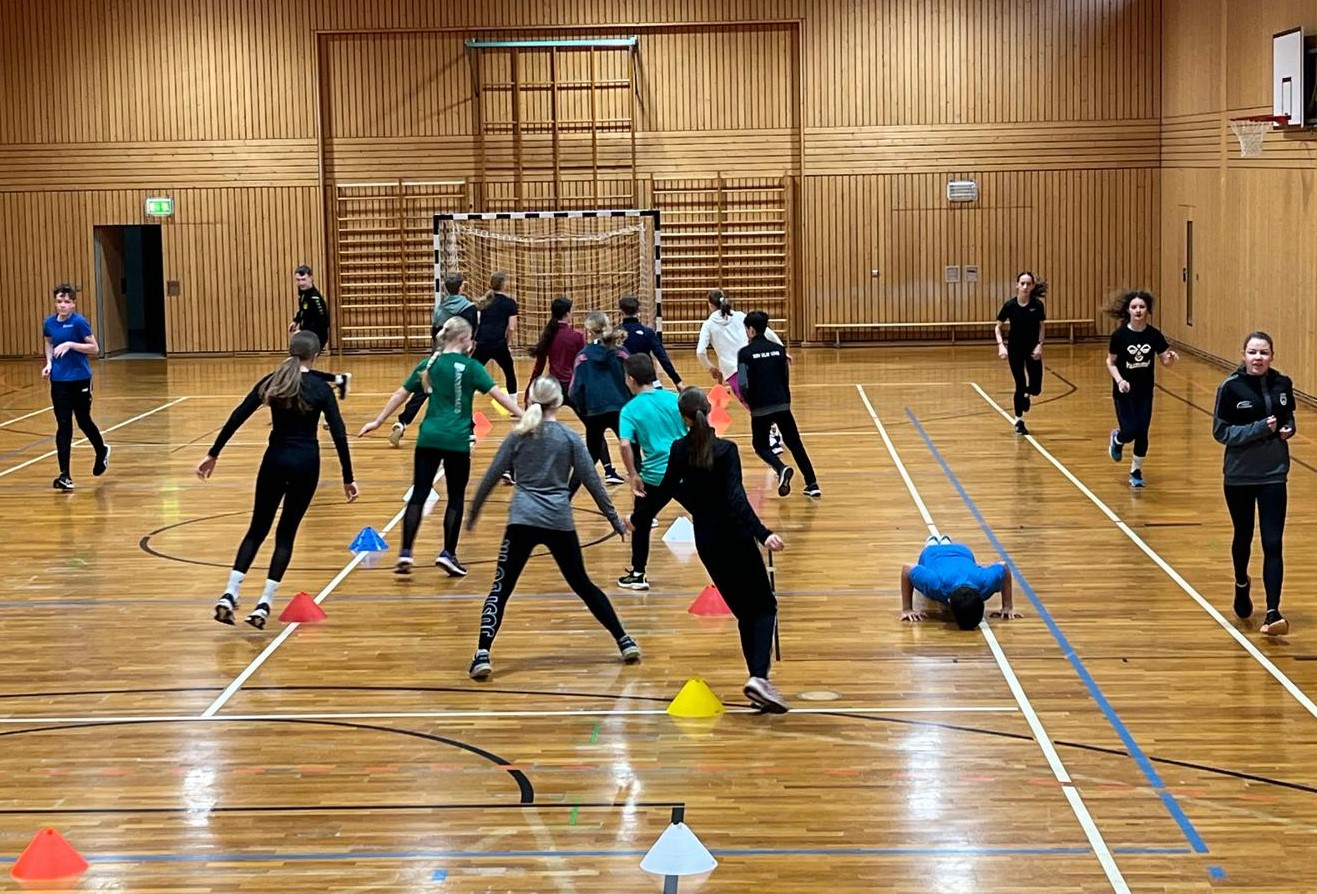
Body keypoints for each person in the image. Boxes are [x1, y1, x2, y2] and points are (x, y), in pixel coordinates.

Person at [465, 375, 640, 681]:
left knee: (501, 587)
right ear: (559, 402)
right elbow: (593, 483)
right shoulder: (570, 438)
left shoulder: (517, 436)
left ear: (531, 400)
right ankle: (624, 640)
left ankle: (482, 653)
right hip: (559, 521)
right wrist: (615, 521)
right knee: (583, 584)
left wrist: (473, 513)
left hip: (521, 521)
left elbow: (491, 476)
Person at [199, 331, 359, 630]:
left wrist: (213, 453)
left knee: (257, 529)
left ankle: (230, 593)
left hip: (274, 460)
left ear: (290, 350)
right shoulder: (320, 389)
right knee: (286, 534)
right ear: (316, 355)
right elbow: (339, 433)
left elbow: (238, 416)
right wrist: (348, 477)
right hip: (306, 464)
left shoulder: (274, 381)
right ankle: (264, 603)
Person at [653, 387, 787, 714]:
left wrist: (637, 518)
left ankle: (758, 680)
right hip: (736, 538)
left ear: (683, 418)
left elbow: (667, 490)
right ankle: (759, 677)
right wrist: (763, 533)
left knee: (745, 612)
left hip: (708, 543)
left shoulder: (679, 450)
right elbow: (736, 500)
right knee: (765, 606)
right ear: (708, 411)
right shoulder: (726, 450)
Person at [361, 318, 522, 577]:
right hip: (456, 440)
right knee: (455, 497)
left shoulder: (430, 364)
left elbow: (400, 394)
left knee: (419, 493)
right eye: (470, 338)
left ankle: (405, 553)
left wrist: (378, 421)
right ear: (463, 339)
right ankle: (448, 553)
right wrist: (525, 416)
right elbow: (498, 395)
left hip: (428, 438)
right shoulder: (471, 367)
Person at [1213, 331, 1295, 636]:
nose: (1258, 358)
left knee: (1273, 542)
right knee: (1244, 535)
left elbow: (1288, 417)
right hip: (1240, 476)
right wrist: (1259, 428)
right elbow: (1221, 432)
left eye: (1263, 353)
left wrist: (1288, 428)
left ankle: (1273, 612)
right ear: (1244, 355)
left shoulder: (1282, 384)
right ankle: (1241, 583)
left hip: (1274, 474)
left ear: (1272, 355)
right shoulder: (1230, 387)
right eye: (1252, 352)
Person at [616, 354, 687, 590]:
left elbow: (624, 444)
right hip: (685, 472)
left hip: (655, 476)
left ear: (630, 379)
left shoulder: (629, 410)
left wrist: (633, 474)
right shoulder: (674, 399)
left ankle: (638, 573)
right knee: (708, 516)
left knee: (642, 522)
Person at [389, 272, 480, 447]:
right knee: (461, 392)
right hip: (458, 357)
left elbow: (434, 333)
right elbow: (472, 334)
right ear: (461, 287)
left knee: (422, 390)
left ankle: (403, 421)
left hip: (438, 354)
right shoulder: (470, 308)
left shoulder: (440, 308)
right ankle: (468, 431)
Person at [736, 310, 820, 498]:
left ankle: (781, 468)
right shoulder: (779, 350)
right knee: (795, 443)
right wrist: (783, 399)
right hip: (782, 404)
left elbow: (742, 384)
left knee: (760, 446)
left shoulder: (745, 353)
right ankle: (812, 483)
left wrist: (751, 402)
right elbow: (785, 377)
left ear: (751, 330)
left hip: (760, 407)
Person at [1105, 290, 1178, 488]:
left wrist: (1170, 358)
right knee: (1130, 431)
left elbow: (1165, 361)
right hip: (1124, 392)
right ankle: (1118, 439)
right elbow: (1110, 362)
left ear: (1148, 310)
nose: (1138, 310)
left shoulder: (1154, 335)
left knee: (1142, 432)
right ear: (1128, 310)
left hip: (1144, 391)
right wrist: (1120, 380)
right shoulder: (1119, 335)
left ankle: (1136, 471)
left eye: (1142, 307)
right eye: (1134, 307)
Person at [696, 289, 784, 454]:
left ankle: (771, 436)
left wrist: (711, 368)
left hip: (733, 371)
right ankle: (774, 430)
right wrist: (781, 349)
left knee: (753, 406)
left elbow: (700, 352)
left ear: (710, 305)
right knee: (762, 400)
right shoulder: (740, 316)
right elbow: (766, 331)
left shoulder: (708, 324)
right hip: (754, 364)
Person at [42, 284, 109, 491]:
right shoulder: (49, 323)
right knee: (64, 425)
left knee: (83, 420)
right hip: (59, 380)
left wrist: (71, 344)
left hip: (80, 379)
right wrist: (49, 363)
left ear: (73, 303)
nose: (62, 305)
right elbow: (49, 343)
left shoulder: (79, 322)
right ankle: (65, 475)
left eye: (66, 302)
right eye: (59, 301)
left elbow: (94, 348)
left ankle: (101, 450)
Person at [899, 534, 1020, 629]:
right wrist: (907, 609)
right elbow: (907, 570)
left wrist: (1007, 607)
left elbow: (1004, 566)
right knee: (933, 545)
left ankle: (944, 540)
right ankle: (935, 541)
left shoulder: (985, 583)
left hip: (962, 551)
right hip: (933, 553)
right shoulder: (935, 584)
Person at [568, 311, 630, 486]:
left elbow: (574, 391)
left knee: (590, 457)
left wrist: (583, 409)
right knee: (634, 454)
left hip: (594, 412)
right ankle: (646, 500)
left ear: (589, 331)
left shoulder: (583, 357)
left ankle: (566, 496)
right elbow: (634, 378)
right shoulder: (621, 353)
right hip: (621, 410)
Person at [994, 272, 1047, 435]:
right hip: (1015, 349)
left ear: (1032, 286)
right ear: (1017, 285)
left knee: (1036, 388)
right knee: (1020, 384)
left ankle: (1027, 394)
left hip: (1032, 350)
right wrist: (1001, 346)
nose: (1025, 287)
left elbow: (1041, 327)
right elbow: (998, 327)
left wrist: (1039, 345)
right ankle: (1019, 420)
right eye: (1022, 283)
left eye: (1028, 284)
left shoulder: (1037, 305)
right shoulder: (1010, 306)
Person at [289, 266, 351, 400]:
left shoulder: (315, 298)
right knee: (301, 368)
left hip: (317, 337)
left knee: (302, 368)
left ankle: (322, 391)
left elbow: (324, 321)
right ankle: (339, 379)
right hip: (307, 336)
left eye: (303, 279)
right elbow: (303, 310)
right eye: (298, 280)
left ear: (311, 278)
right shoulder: (302, 292)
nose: (300, 283)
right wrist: (296, 320)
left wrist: (305, 334)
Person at [618, 294, 683, 388]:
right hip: (647, 379)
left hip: (623, 382)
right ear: (638, 311)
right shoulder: (647, 332)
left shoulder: (614, 333)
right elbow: (662, 357)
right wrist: (677, 381)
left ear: (621, 311)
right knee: (658, 393)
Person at [473, 271, 519, 394]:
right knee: (509, 373)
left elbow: (477, 323)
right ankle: (513, 403)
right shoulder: (510, 303)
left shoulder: (483, 302)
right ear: (503, 284)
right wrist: (506, 343)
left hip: (482, 344)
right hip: (499, 344)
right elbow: (511, 328)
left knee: (471, 372)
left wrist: (475, 341)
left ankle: (461, 400)